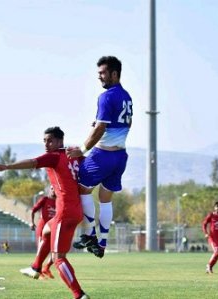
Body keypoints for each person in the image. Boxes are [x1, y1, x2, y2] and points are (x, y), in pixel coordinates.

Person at [0, 126, 89, 299]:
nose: (46, 144)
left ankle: (79, 295)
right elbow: (86, 168)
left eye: (50, 140)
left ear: (59, 141)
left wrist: (6, 166)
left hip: (64, 212)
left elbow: (32, 162)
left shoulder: (54, 156)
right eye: (44, 141)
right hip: (76, 210)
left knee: (58, 258)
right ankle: (35, 267)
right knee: (46, 231)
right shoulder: (74, 155)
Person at [67, 56, 133, 258]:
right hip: (120, 156)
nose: (100, 78)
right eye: (98, 74)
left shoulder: (106, 97)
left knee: (82, 190)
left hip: (102, 155)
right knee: (105, 199)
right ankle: (102, 243)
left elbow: (102, 127)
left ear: (114, 73)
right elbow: (116, 124)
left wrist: (83, 149)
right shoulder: (127, 96)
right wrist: (98, 126)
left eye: (103, 73)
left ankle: (89, 235)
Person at [31, 185, 56, 279]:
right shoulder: (45, 199)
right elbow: (33, 210)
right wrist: (32, 223)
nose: (54, 190)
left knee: (56, 251)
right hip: (43, 228)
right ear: (50, 189)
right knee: (41, 250)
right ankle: (38, 270)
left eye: (55, 188)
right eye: (52, 188)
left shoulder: (59, 202)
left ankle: (46, 268)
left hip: (53, 228)